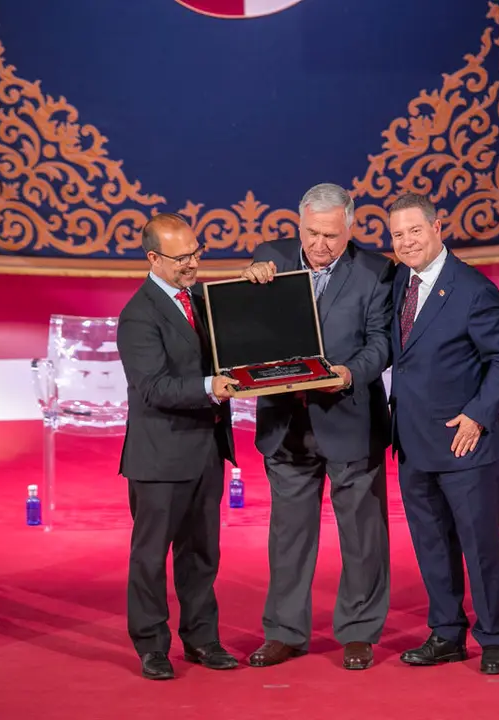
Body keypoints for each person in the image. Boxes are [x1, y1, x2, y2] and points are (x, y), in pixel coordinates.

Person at [240, 183, 394, 670]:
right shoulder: (269, 260)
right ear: (297, 224)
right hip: (285, 424)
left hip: (350, 418)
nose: (320, 244)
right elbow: (244, 329)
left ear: (350, 227)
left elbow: (382, 343)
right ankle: (284, 632)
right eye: (311, 233)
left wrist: (350, 373)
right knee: (288, 535)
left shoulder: (376, 272)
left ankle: (359, 632)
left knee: (362, 535)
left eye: (331, 235)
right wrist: (246, 286)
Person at [387, 192, 499, 675]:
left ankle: (493, 639)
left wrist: (479, 415)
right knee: (431, 544)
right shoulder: (399, 281)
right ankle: (446, 633)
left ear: (437, 228)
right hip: (413, 443)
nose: (406, 242)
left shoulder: (472, 289)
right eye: (397, 235)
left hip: (466, 444)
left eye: (414, 231)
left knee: (478, 545)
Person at [116, 212, 240, 680]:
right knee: (151, 557)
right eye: (181, 257)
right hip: (160, 457)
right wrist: (212, 386)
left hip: (206, 449)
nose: (192, 263)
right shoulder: (138, 314)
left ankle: (203, 640)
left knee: (202, 553)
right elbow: (153, 388)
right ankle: (151, 645)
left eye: (195, 252)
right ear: (153, 258)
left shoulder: (200, 298)